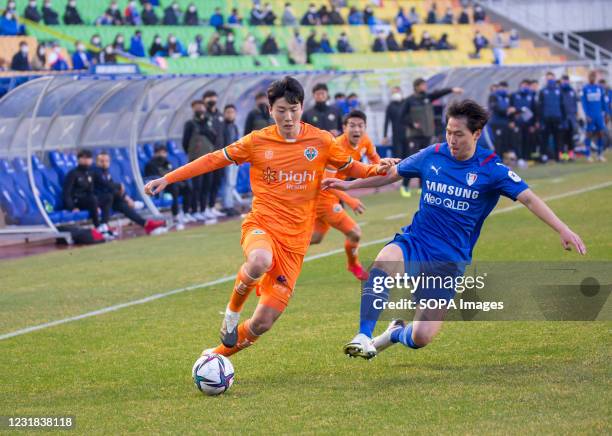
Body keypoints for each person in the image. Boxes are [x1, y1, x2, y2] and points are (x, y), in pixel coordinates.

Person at [144, 76, 395, 359]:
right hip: (261, 225)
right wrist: (168, 178)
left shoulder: (322, 141)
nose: (288, 117)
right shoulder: (257, 141)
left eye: (293, 109)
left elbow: (355, 168)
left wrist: (378, 168)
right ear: (270, 111)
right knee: (260, 260)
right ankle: (231, 313)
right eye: (281, 110)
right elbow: (214, 159)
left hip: (295, 245)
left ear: (302, 107)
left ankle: (214, 358)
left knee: (263, 323)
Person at [322, 99, 586, 360]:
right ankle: (363, 335)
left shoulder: (492, 170)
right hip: (417, 241)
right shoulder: (432, 154)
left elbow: (528, 198)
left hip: (449, 260)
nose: (452, 139)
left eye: (458, 134)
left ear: (477, 133)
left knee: (421, 336)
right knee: (384, 261)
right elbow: (393, 173)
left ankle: (393, 334)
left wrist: (562, 229)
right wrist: (348, 186)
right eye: (448, 132)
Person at [311, 110, 381, 280]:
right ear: (344, 127)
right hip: (324, 196)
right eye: (352, 125)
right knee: (355, 232)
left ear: (365, 127)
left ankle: (278, 249)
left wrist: (386, 168)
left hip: (332, 194)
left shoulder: (365, 140)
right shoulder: (336, 148)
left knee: (315, 238)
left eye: (360, 126)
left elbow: (374, 159)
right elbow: (328, 183)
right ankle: (354, 265)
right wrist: (350, 201)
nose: (356, 129)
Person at [400, 78, 463, 197]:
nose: (425, 87)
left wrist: (452, 90)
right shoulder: (409, 100)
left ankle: (421, 186)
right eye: (423, 85)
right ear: (417, 86)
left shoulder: (427, 97)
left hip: (427, 134)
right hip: (414, 136)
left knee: (426, 160)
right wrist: (412, 124)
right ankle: (405, 185)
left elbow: (439, 93)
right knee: (412, 160)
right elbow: (401, 117)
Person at [94, 151, 166, 237]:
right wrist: (120, 186)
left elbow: (110, 187)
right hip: (97, 201)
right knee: (110, 195)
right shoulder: (95, 172)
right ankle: (103, 226)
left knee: (122, 205)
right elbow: (105, 185)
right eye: (101, 161)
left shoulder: (105, 172)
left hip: (110, 200)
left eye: (106, 161)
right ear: (97, 162)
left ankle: (146, 224)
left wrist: (124, 196)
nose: (104, 163)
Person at [144, 144, 192, 229]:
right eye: (160, 153)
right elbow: (154, 178)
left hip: (171, 184)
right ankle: (176, 214)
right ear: (155, 153)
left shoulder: (167, 162)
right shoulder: (150, 164)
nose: (162, 155)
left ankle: (186, 212)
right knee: (175, 188)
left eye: (164, 152)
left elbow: (173, 172)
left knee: (187, 186)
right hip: (160, 189)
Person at [63, 150, 102, 228]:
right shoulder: (73, 173)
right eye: (83, 158)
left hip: (90, 200)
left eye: (88, 158)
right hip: (78, 201)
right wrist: (72, 207)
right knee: (93, 200)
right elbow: (66, 193)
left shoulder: (91, 172)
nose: (86, 160)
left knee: (108, 197)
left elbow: (95, 189)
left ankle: (104, 224)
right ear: (78, 160)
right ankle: (98, 226)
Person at [581, 71, 608, 162]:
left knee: (601, 133)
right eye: (591, 76)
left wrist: (606, 113)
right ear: (588, 78)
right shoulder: (585, 88)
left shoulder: (599, 89)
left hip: (599, 115)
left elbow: (603, 102)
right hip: (590, 115)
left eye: (594, 76)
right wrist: (586, 114)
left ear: (596, 78)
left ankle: (599, 154)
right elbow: (584, 103)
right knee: (588, 134)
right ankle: (588, 155)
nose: (592, 78)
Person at [221, 104, 241, 217]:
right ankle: (227, 206)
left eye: (232, 112)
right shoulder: (223, 127)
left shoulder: (234, 126)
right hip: (226, 158)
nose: (230, 114)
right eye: (228, 112)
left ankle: (230, 204)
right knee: (228, 183)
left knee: (232, 183)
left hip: (235, 158)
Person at [510, 79, 538, 160]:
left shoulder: (531, 96)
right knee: (518, 140)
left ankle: (526, 157)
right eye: (524, 85)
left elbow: (534, 110)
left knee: (527, 140)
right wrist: (511, 121)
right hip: (517, 123)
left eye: (527, 85)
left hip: (528, 123)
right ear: (520, 85)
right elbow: (510, 109)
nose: (525, 87)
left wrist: (533, 124)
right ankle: (519, 158)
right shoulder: (514, 95)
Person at [539, 72, 563, 161]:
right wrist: (540, 120)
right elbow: (540, 107)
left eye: (551, 79)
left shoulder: (559, 91)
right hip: (546, 119)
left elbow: (562, 105)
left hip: (557, 119)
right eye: (548, 79)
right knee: (544, 140)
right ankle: (544, 157)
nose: (550, 81)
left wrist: (562, 119)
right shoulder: (543, 91)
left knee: (558, 139)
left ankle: (559, 157)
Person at [488, 81, 514, 155]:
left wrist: (511, 119)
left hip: (505, 123)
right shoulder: (493, 96)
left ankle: (503, 159)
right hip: (496, 123)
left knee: (504, 141)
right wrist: (507, 111)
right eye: (502, 87)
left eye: (505, 87)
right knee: (497, 142)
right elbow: (495, 108)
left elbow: (511, 108)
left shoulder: (508, 97)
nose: (504, 89)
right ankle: (496, 160)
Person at [383, 86, 406, 159]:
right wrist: (385, 136)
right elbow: (386, 122)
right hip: (396, 135)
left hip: (408, 134)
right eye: (393, 93)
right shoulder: (390, 106)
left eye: (396, 92)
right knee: (398, 156)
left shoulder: (406, 103)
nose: (395, 94)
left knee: (408, 155)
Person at [559, 75, 578, 161]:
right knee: (562, 139)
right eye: (564, 80)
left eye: (567, 80)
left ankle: (571, 155)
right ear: (561, 81)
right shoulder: (559, 91)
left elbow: (575, 104)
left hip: (571, 119)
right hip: (562, 119)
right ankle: (563, 156)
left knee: (570, 138)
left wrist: (575, 115)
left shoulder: (572, 91)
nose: (565, 82)